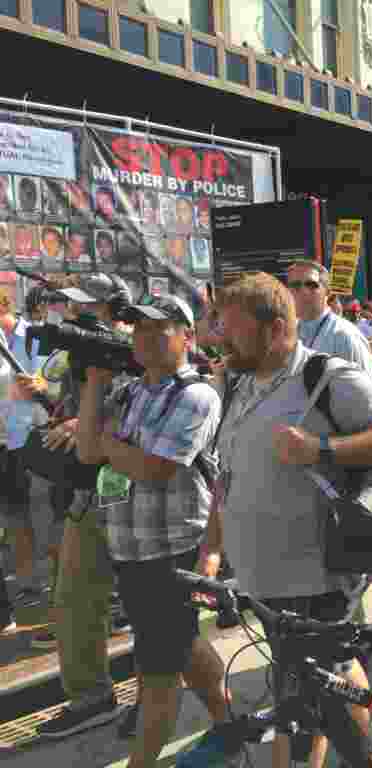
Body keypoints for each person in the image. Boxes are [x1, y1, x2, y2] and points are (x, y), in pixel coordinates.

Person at [185, 272, 372, 768]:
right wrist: (213, 549)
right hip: (264, 579)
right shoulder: (243, 383)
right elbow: (232, 476)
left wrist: (321, 447)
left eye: (231, 328)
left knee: (323, 694)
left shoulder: (326, 376)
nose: (220, 337)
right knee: (305, 689)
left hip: (315, 574)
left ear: (272, 329)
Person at [74, 295, 230, 768]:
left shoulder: (196, 395)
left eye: (157, 328)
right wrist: (96, 384)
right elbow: (86, 452)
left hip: (172, 554)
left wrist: (107, 444)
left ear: (186, 336)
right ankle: (231, 728)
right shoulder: (128, 392)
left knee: (158, 672)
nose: (143, 337)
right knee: (182, 647)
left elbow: (155, 467)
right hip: (131, 549)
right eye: (137, 328)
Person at [20, 274, 137, 737]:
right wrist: (53, 404)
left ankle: (160, 699)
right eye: (68, 304)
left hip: (135, 494)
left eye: (82, 305)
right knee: (74, 598)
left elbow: (146, 409)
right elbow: (75, 409)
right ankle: (92, 697)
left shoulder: (131, 349)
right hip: (90, 491)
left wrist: (85, 423)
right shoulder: (80, 352)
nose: (68, 313)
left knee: (154, 608)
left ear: (110, 307)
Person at [1, 293, 44, 609]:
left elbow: (50, 382)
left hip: (33, 438)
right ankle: (30, 585)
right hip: (4, 443)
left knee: (43, 516)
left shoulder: (32, 336)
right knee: (14, 516)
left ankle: (57, 586)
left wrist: (37, 386)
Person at [286, 261, 372, 378]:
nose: (303, 291)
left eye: (311, 285)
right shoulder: (287, 334)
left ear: (327, 292)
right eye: (295, 285)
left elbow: (367, 393)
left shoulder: (345, 336)